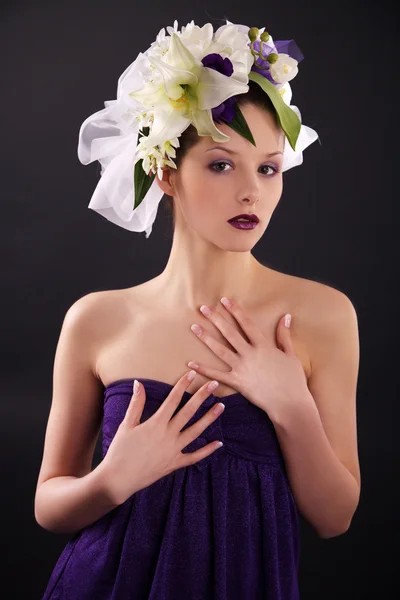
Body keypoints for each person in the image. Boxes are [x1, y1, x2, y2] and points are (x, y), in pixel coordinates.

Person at [35, 19, 360, 600]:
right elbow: (50, 505)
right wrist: (111, 481)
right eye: (220, 163)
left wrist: (291, 406)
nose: (251, 192)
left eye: (267, 168)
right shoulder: (97, 319)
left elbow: (335, 517)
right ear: (165, 172)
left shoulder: (324, 315)